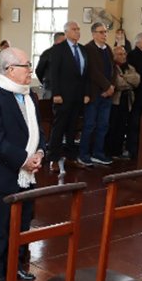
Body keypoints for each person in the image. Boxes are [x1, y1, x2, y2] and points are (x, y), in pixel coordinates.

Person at [0, 47, 44, 281]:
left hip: (27, 175)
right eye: (27, 65)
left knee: (22, 224)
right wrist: (23, 160)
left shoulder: (28, 95)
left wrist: (39, 154)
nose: (30, 70)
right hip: (2, 174)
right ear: (10, 70)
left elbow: (39, 132)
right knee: (0, 226)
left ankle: (15, 265)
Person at [48, 21, 88, 172]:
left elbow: (85, 74)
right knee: (59, 127)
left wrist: (86, 93)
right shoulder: (59, 49)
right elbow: (54, 73)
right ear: (66, 32)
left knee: (73, 128)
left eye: (78, 29)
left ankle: (71, 157)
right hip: (63, 96)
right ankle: (53, 158)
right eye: (74, 29)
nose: (77, 32)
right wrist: (56, 93)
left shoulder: (83, 50)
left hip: (78, 96)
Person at [79, 22, 116, 166]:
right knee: (89, 125)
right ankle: (83, 154)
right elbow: (93, 71)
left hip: (107, 93)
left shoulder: (108, 49)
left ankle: (98, 153)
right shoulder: (88, 48)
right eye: (101, 32)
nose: (104, 35)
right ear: (93, 34)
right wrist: (107, 86)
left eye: (105, 32)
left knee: (103, 125)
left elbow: (113, 70)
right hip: (94, 93)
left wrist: (111, 86)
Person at [104, 45, 140, 159]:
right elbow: (118, 84)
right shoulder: (111, 67)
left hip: (127, 101)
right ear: (114, 56)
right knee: (112, 126)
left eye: (124, 54)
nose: (123, 56)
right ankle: (109, 151)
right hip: (115, 101)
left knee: (122, 127)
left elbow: (137, 81)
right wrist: (127, 81)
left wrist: (124, 78)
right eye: (120, 54)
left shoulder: (130, 67)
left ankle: (118, 151)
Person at [35, 31, 65, 99]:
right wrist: (45, 80)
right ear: (56, 41)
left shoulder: (67, 54)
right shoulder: (47, 53)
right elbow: (39, 70)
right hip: (50, 87)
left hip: (64, 88)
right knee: (48, 106)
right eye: (62, 41)